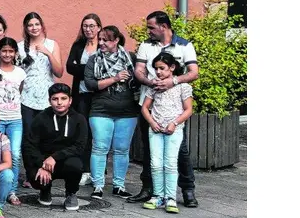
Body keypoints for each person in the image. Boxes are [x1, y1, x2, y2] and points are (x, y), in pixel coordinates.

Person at [130, 11, 200, 206]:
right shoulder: (146, 45)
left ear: (163, 26)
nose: (148, 31)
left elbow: (194, 73)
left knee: (181, 151)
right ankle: (149, 189)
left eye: (151, 27)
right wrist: (150, 82)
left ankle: (187, 190)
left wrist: (173, 81)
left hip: (174, 109)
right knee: (150, 149)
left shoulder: (184, 45)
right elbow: (139, 70)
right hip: (149, 104)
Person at [85, 25, 138, 199]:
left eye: (105, 40)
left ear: (116, 41)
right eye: (99, 39)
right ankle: (98, 185)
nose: (100, 43)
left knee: (122, 149)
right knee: (100, 148)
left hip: (127, 110)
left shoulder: (130, 58)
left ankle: (119, 185)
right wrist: (114, 78)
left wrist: (131, 79)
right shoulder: (94, 60)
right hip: (101, 110)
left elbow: (139, 80)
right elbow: (91, 84)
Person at [22, 83, 91, 211]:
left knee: (75, 165)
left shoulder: (79, 119)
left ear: (70, 100)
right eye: (55, 99)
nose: (59, 102)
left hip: (66, 160)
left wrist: (54, 158)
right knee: (34, 174)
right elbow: (29, 145)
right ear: (49, 101)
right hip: (43, 160)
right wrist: (42, 164)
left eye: (63, 98)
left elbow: (79, 146)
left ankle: (71, 193)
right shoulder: (40, 118)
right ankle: (45, 190)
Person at [140, 52, 194, 213]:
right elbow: (145, 107)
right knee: (156, 163)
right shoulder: (155, 86)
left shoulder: (183, 87)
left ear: (172, 67)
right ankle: (158, 195)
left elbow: (188, 109)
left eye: (162, 68)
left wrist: (174, 123)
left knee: (170, 163)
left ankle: (170, 197)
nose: (158, 72)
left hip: (174, 130)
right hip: (155, 129)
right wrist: (152, 122)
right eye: (156, 69)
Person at [17, 13, 65, 162]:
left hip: (46, 98)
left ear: (42, 26)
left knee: (46, 134)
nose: (34, 27)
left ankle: (44, 168)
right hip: (26, 97)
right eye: (30, 25)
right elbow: (17, 74)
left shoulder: (52, 44)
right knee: (29, 135)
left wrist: (48, 53)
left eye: (37, 24)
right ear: (26, 28)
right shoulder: (19, 46)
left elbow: (59, 72)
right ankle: (31, 171)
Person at [0, 37, 27, 203]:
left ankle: (11, 191)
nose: (7, 54)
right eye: (4, 51)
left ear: (15, 53)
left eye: (11, 51)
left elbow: (20, 90)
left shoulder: (20, 72)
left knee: (15, 154)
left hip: (15, 120)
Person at [65, 13, 103, 117]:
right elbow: (69, 67)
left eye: (91, 26)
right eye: (85, 26)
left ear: (99, 28)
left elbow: (103, 70)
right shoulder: (78, 45)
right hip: (81, 92)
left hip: (99, 94)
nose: (87, 29)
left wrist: (80, 68)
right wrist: (92, 70)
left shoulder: (103, 45)